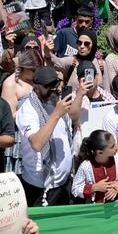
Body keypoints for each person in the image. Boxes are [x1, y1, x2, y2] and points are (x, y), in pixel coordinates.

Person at [15, 65, 79, 205]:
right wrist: (56, 114)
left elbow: (74, 119)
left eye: (55, 84)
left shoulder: (55, 101)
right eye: (48, 86)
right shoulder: (28, 109)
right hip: (41, 187)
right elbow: (37, 144)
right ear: (36, 86)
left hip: (63, 183)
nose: (53, 89)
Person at [69, 129, 118, 203]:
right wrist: (94, 187)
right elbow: (75, 189)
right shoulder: (85, 166)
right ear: (100, 152)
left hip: (117, 206)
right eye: (112, 146)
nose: (116, 148)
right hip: (95, 210)